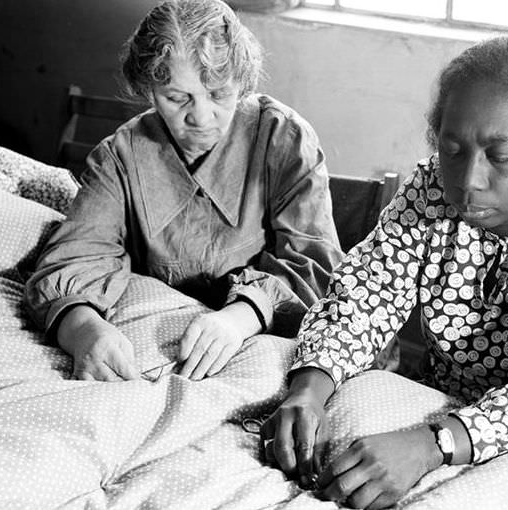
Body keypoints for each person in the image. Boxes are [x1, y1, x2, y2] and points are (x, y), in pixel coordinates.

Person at [261, 35, 508, 509]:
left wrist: (434, 444)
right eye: (452, 149)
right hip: (434, 404)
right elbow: (363, 298)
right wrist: (310, 388)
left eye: (500, 157)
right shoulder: (430, 188)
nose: (468, 180)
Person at [25, 0, 344, 382]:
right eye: (177, 98)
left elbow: (318, 268)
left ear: (243, 82)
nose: (201, 117)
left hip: (258, 339)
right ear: (149, 88)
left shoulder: (282, 139)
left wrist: (239, 318)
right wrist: (83, 330)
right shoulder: (120, 156)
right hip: (162, 342)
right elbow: (73, 259)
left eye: (220, 94)